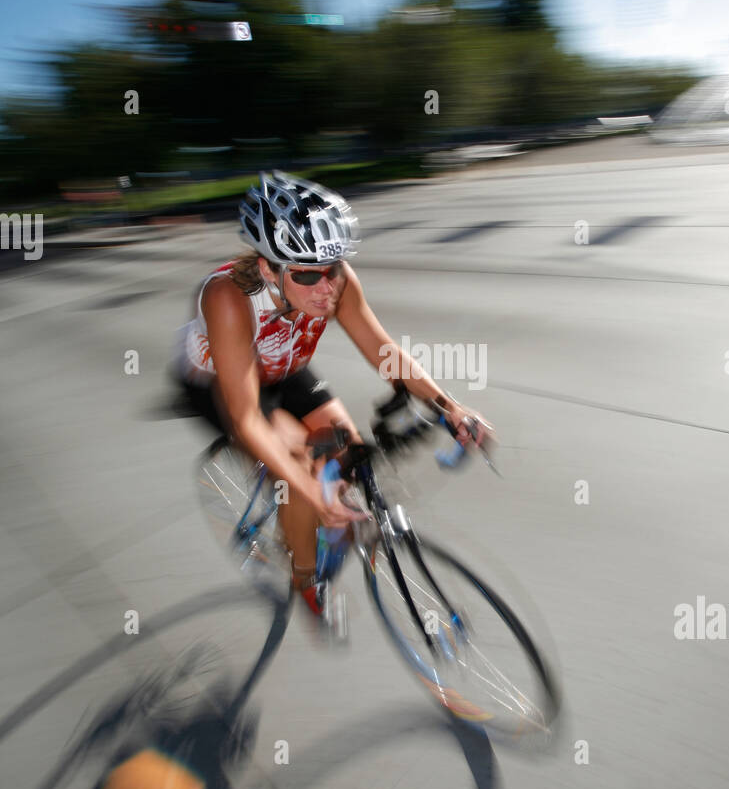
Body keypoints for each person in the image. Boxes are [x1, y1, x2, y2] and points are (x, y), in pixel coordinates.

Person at [172, 171, 493, 621]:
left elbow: (384, 352)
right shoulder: (228, 297)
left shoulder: (332, 281)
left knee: (347, 450)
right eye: (308, 275)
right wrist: (306, 487)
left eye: (335, 269)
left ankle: (314, 516)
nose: (328, 288)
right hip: (223, 384)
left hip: (284, 367)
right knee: (301, 481)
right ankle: (306, 582)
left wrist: (448, 407)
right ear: (269, 268)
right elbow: (247, 419)